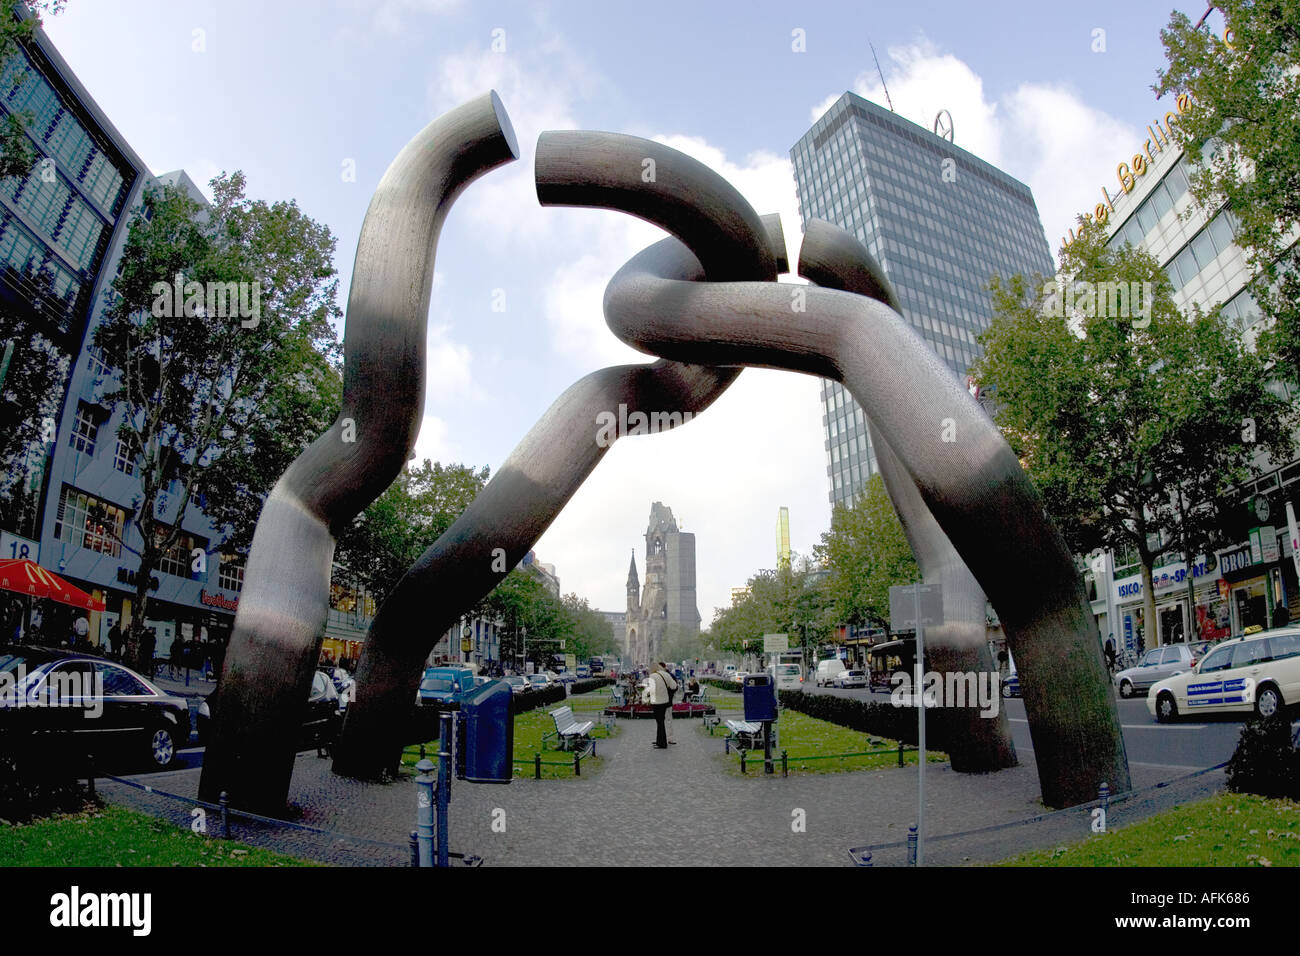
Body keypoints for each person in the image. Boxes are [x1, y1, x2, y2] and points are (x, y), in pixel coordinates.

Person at [644, 662, 676, 749]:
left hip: (656, 702)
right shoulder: (666, 674)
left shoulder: (652, 676)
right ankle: (659, 741)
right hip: (665, 701)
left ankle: (662, 743)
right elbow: (674, 686)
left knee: (660, 722)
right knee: (660, 722)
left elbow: (651, 690)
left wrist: (646, 696)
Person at [659, 661, 679, 745]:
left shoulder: (670, 676)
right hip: (662, 701)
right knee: (663, 721)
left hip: (665, 701)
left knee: (667, 721)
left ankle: (669, 738)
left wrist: (669, 693)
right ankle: (662, 738)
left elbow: (675, 687)